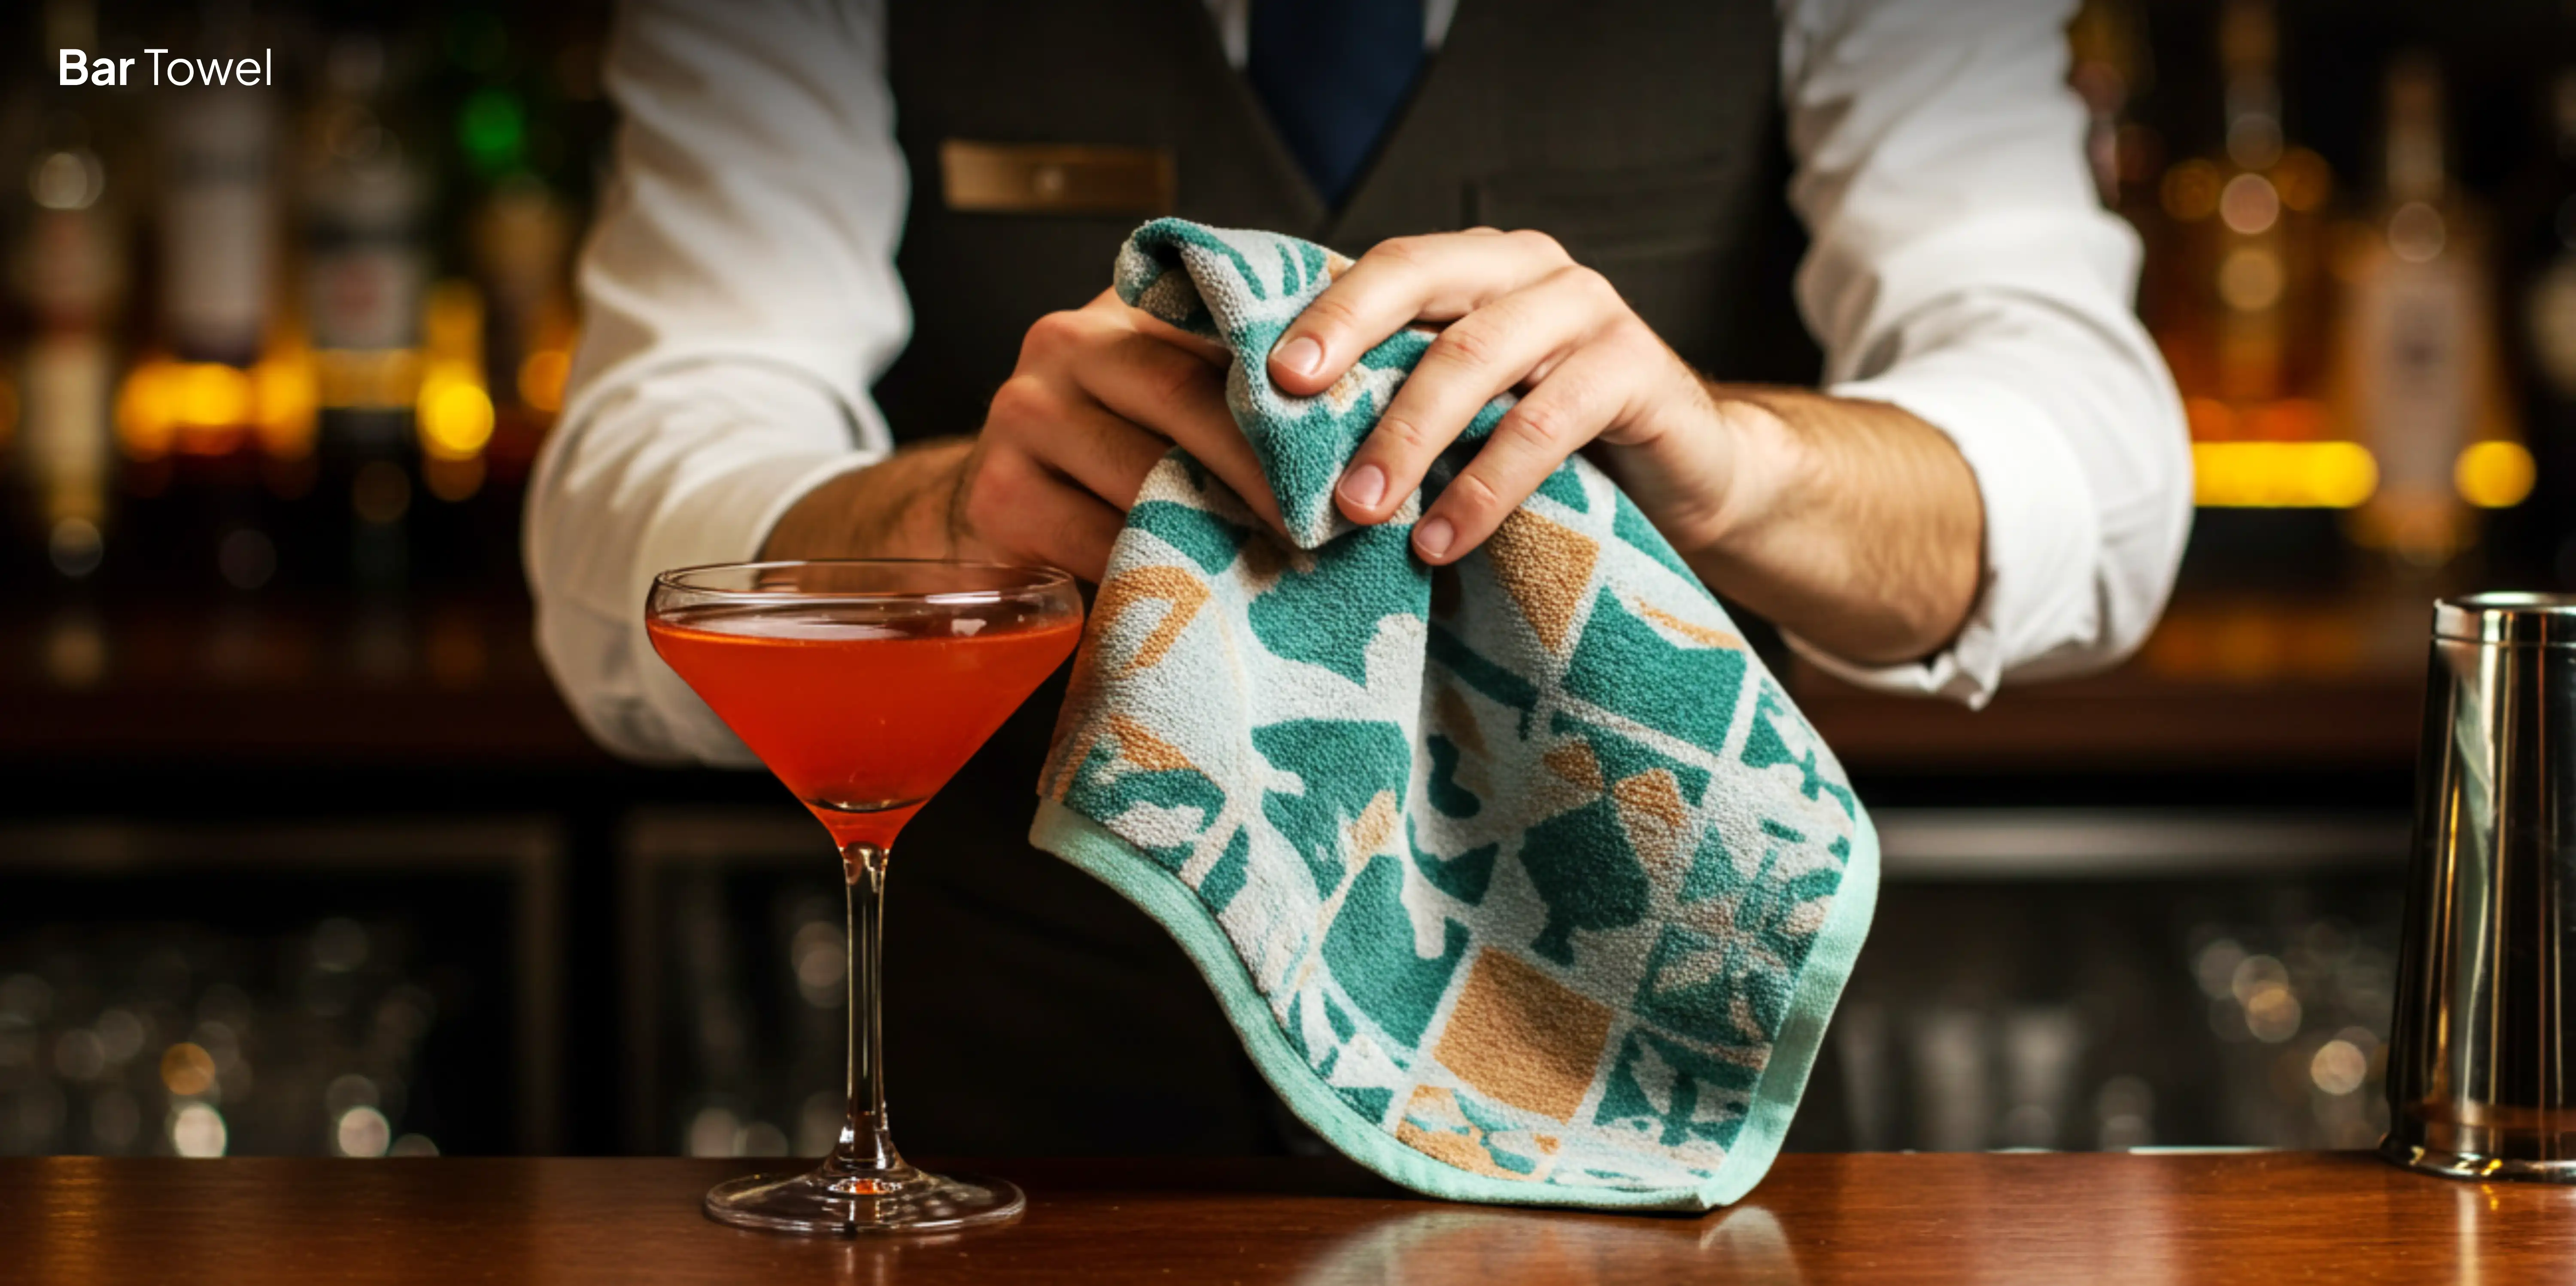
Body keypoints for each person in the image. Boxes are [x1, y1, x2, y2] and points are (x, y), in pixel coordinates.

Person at [529, 0, 2190, 1154]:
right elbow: (622, 532)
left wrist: (1727, 456)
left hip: (1648, 1142)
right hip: (1031, 1166)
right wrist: (948, 524)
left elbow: (2094, 485)